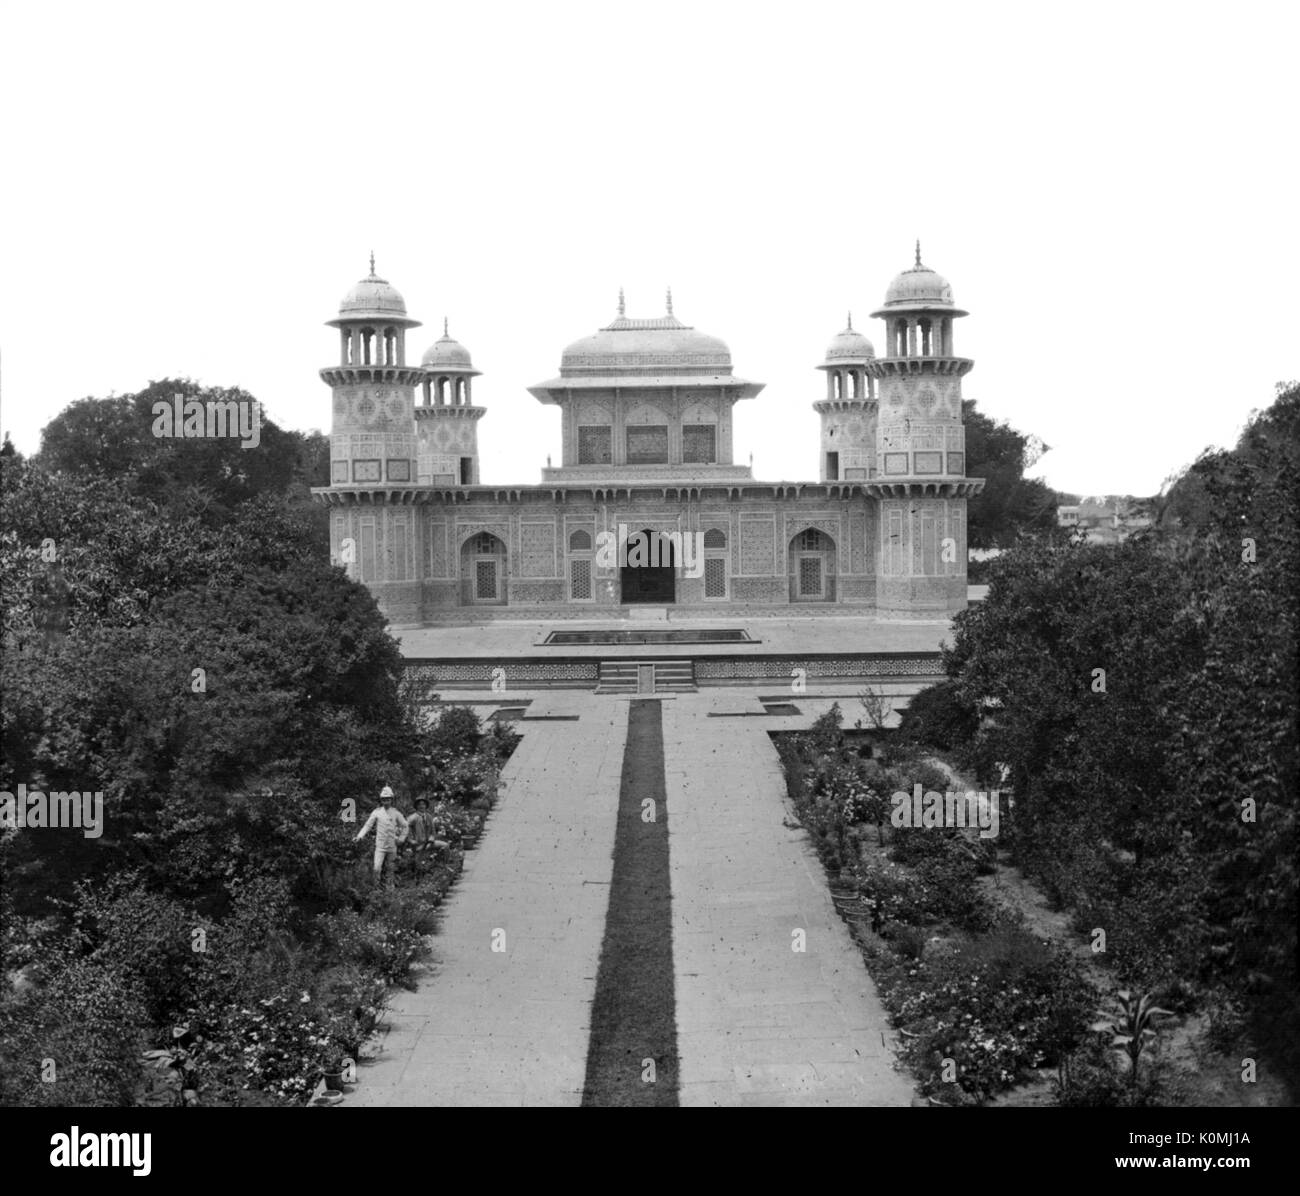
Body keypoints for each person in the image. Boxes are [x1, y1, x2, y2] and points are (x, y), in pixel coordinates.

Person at [355, 785, 408, 888]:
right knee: (377, 868)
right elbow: (368, 825)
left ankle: (390, 891)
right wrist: (360, 836)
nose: (386, 802)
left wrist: (401, 838)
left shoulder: (396, 813)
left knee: (390, 869)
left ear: (391, 800)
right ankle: (376, 889)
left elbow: (405, 826)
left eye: (388, 799)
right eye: (384, 799)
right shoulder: (377, 812)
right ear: (381, 800)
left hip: (392, 846)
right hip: (380, 846)